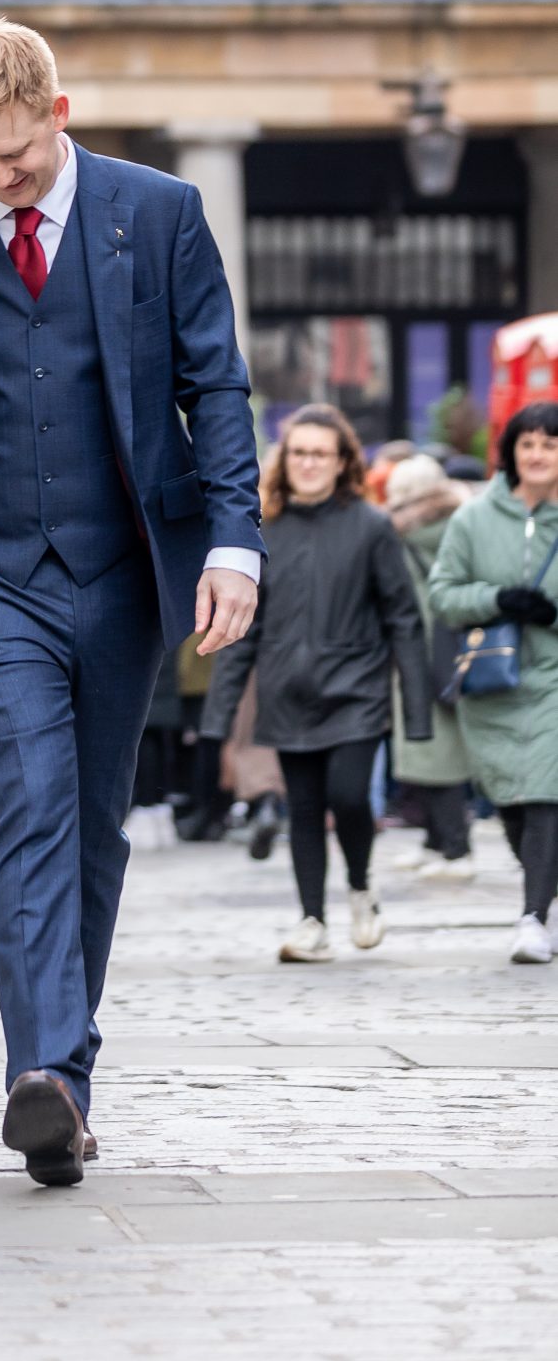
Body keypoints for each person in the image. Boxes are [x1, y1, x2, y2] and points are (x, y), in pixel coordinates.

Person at [0, 17, 261, 1186]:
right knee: (27, 804)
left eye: (18, 154)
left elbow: (214, 385)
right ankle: (39, 1070)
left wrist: (235, 542)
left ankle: (65, 1082)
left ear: (58, 113)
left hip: (124, 566)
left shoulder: (161, 211)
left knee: (92, 825)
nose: (0, 177)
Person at [202, 405, 431, 964]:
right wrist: (218, 719)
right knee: (303, 809)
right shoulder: (264, 530)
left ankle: (360, 886)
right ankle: (312, 921)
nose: (308, 463)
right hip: (288, 692)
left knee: (349, 797)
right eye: (299, 452)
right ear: (286, 460)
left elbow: (402, 617)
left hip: (357, 691)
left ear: (342, 462)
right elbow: (245, 630)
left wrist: (417, 707)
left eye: (320, 454)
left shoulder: (372, 526)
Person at [429, 400, 558, 965]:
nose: (538, 454)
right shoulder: (473, 519)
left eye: (550, 444)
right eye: (528, 444)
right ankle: (546, 889)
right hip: (492, 685)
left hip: (554, 681)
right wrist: (497, 599)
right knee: (512, 802)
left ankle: (533, 917)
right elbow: (443, 594)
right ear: (511, 451)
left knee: (545, 792)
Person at [382, 453, 476, 879]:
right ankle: (436, 841)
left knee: (435, 754)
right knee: (434, 750)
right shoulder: (461, 520)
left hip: (420, 649)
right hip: (448, 648)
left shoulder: (404, 531)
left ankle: (455, 848)